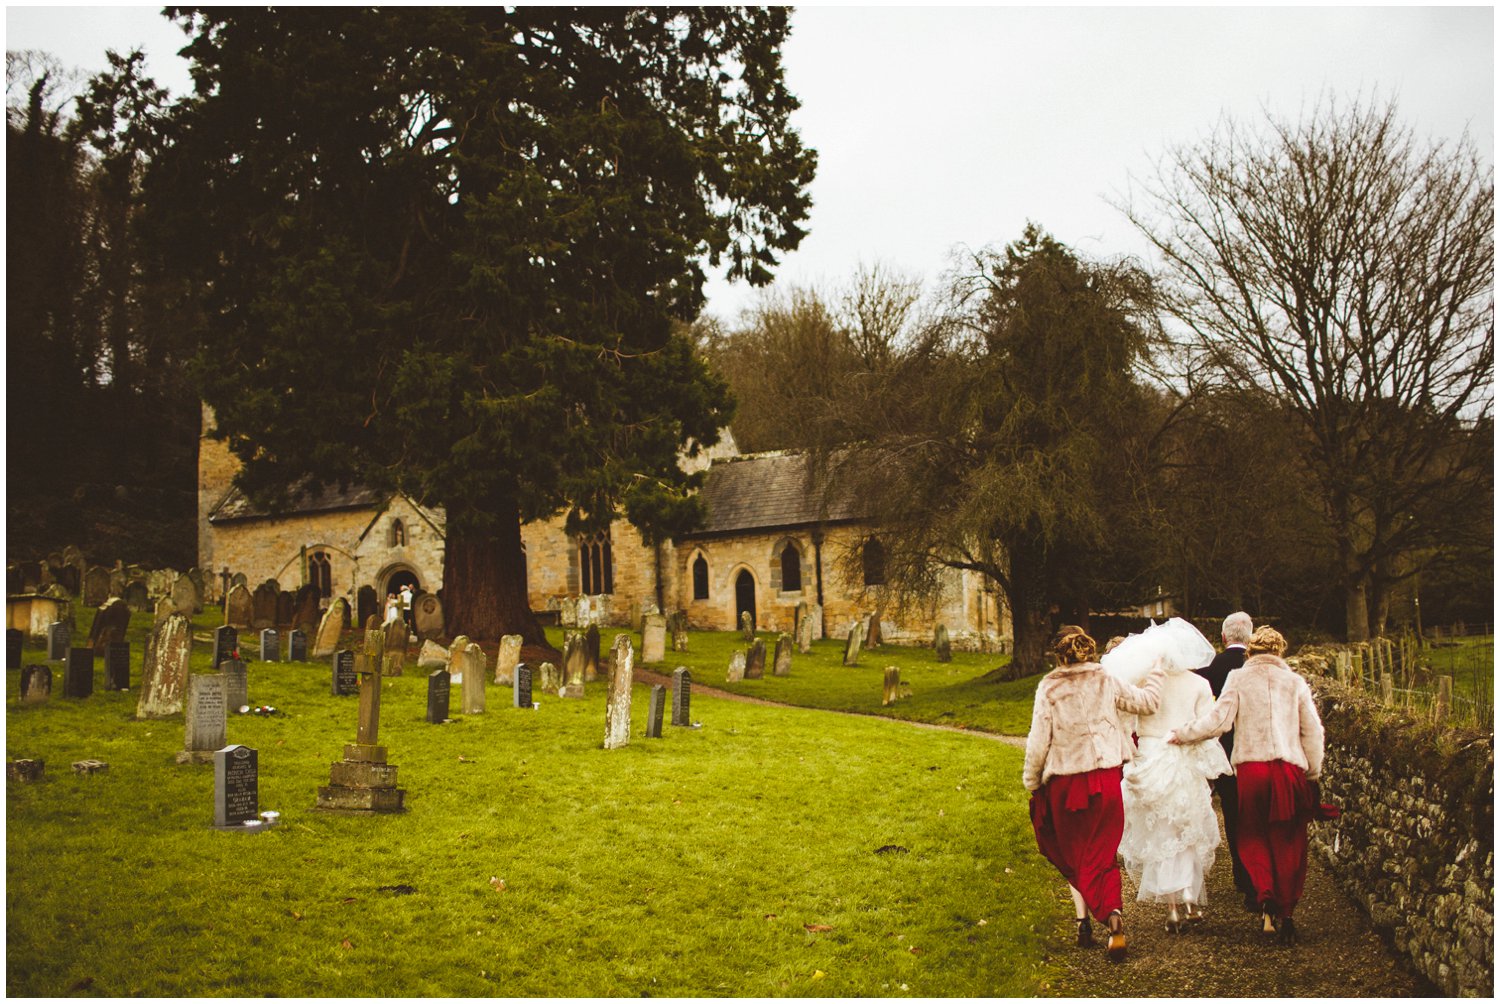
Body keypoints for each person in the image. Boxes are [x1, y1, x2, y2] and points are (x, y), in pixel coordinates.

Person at [1169, 626, 1325, 945]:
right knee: (1288, 839)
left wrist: (1183, 733)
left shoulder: (1238, 679)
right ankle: (1287, 913)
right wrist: (1313, 774)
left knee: (1252, 834)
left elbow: (1218, 722)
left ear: (1251, 651)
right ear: (1280, 651)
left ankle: (1264, 896)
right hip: (1288, 769)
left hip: (1251, 770)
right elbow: (1313, 732)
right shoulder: (1294, 682)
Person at [1023, 626, 1165, 962]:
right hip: (1105, 780)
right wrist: (1156, 669)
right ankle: (1113, 914)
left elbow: (1038, 739)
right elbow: (1148, 702)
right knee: (1102, 854)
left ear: (1059, 655)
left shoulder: (1050, 686)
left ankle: (1088, 918)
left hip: (1067, 784)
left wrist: (1032, 780)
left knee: (1073, 852)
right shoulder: (1105, 679)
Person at [1103, 618, 1230, 934]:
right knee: (1186, 830)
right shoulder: (1199, 684)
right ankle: (1188, 898)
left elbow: (1128, 722)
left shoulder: (1146, 684)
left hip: (1151, 761)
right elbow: (1206, 728)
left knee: (1161, 833)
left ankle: (1173, 908)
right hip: (1182, 761)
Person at [1195, 611, 1256, 911]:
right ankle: (1261, 876)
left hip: (1225, 750)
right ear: (1250, 636)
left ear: (1223, 637)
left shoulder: (1212, 666)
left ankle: (1241, 874)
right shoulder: (1256, 664)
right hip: (1258, 750)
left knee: (1233, 814)